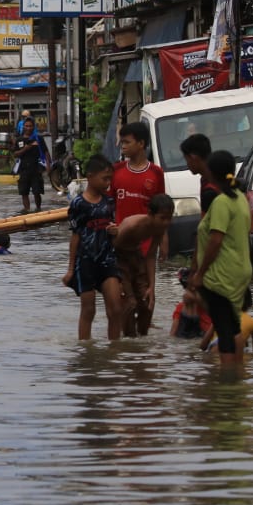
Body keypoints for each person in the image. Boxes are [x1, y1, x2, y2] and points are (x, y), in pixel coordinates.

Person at [187, 150, 252, 367]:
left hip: (222, 275)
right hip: (240, 271)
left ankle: (227, 384)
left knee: (225, 331)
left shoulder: (222, 202)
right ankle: (237, 377)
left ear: (211, 174)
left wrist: (200, 273)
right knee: (233, 328)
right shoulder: (241, 199)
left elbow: (216, 240)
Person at [112, 121, 167, 326]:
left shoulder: (155, 173)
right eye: (121, 142)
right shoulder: (116, 171)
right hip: (120, 246)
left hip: (145, 249)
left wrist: (163, 238)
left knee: (146, 301)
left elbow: (163, 209)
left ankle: (141, 345)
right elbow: (108, 206)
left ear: (141, 143)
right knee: (127, 304)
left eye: (127, 142)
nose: (122, 146)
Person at [63, 154, 122, 342]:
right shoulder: (78, 204)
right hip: (85, 261)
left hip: (107, 260)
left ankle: (114, 347)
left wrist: (115, 232)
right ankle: (85, 349)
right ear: (90, 176)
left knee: (115, 308)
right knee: (89, 310)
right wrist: (71, 269)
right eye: (104, 178)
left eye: (109, 179)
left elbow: (114, 230)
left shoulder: (109, 203)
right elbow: (75, 236)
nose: (108, 183)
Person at [111, 193, 175, 336]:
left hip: (137, 256)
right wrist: (118, 280)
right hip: (119, 258)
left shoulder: (160, 227)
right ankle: (129, 340)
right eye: (162, 218)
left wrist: (152, 286)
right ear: (150, 214)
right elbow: (112, 249)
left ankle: (142, 341)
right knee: (130, 304)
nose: (166, 222)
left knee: (147, 302)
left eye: (169, 218)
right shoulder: (132, 226)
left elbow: (151, 256)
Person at [13, 115, 49, 212]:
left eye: (30, 126)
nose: (28, 128)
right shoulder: (19, 140)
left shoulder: (38, 138)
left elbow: (46, 152)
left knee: (37, 191)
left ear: (34, 127)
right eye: (26, 126)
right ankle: (27, 209)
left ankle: (38, 209)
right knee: (24, 192)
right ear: (23, 127)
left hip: (36, 169)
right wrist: (26, 148)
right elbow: (15, 154)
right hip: (24, 169)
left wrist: (48, 167)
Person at [180, 133, 219, 214]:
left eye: (186, 159)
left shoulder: (211, 190)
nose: (187, 164)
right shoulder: (206, 179)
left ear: (193, 158)